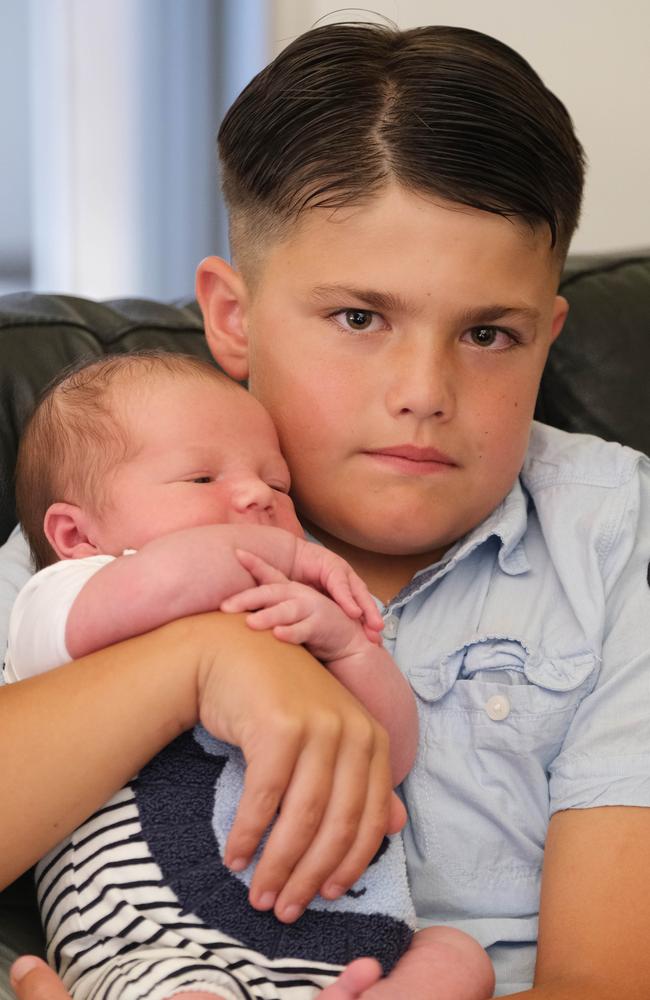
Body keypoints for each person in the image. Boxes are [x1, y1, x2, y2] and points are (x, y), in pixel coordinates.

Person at [1, 18, 650, 1000]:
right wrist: (202, 660)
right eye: (358, 317)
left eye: (486, 332)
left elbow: (602, 978)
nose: (423, 390)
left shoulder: (611, 532)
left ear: (547, 332)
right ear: (232, 317)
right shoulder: (123, 499)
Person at [4, 352, 494, 1000]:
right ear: (76, 533)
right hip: (166, 955)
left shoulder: (300, 614)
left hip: (350, 951)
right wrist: (288, 551)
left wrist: (349, 648)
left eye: (278, 486)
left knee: (460, 959)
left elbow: (391, 753)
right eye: (202, 476)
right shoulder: (62, 600)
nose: (259, 495)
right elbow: (170, 579)